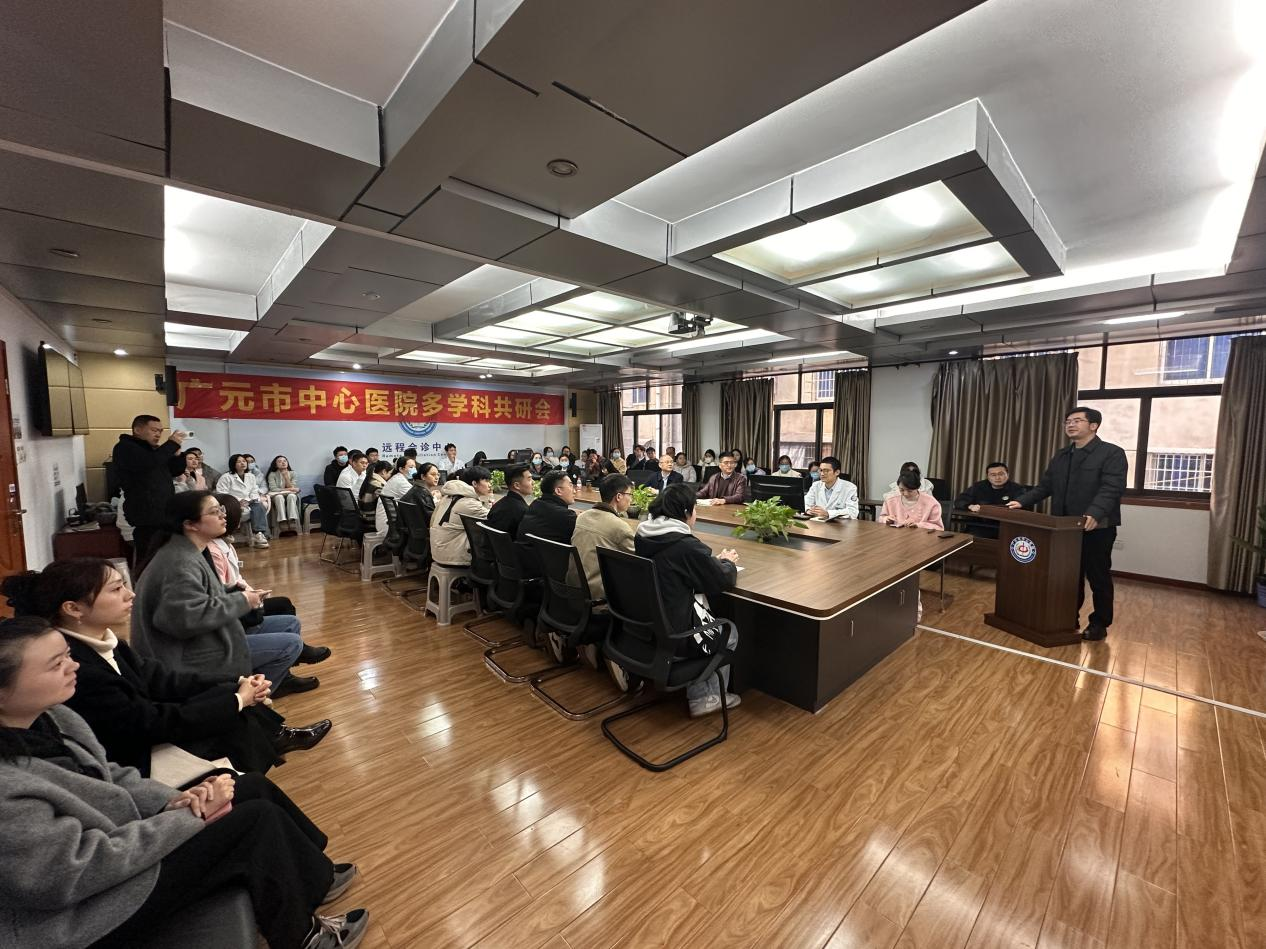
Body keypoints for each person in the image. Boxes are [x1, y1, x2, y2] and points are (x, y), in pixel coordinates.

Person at [0, 615, 368, 949]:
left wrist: (175, 798)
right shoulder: (8, 786)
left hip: (121, 841)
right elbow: (72, 874)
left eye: (68, 655)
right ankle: (304, 938)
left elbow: (111, 775)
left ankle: (313, 875)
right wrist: (188, 817)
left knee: (250, 786)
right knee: (252, 822)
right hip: (82, 913)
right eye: (57, 664)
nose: (74, 665)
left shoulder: (56, 717)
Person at [1, 560, 329, 780]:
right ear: (73, 609)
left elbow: (159, 678)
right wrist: (237, 699)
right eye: (116, 589)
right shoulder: (79, 666)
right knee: (235, 717)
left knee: (230, 696)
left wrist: (237, 683)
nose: (129, 594)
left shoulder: (104, 640)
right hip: (134, 755)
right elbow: (149, 721)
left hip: (148, 717)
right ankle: (250, 771)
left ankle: (272, 742)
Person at [130, 492, 304, 699]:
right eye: (215, 512)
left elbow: (198, 598)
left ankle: (267, 685)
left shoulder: (188, 550)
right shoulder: (180, 562)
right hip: (184, 655)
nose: (223, 515)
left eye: (221, 509)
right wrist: (243, 600)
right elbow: (183, 619)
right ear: (190, 524)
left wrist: (234, 593)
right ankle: (247, 700)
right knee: (292, 643)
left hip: (197, 640)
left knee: (290, 623)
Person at [1008, 406, 1128, 641]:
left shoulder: (1111, 453)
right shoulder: (1062, 455)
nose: (1070, 424)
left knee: (1098, 577)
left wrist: (1094, 512)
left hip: (1096, 527)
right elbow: (1045, 486)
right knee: (1068, 576)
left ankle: (1099, 623)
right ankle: (1067, 617)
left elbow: (1112, 487)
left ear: (1093, 426)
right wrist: (1021, 501)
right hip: (1063, 528)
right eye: (1067, 421)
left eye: (1077, 420)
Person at [634, 483, 741, 717]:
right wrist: (727, 562)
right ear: (686, 512)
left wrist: (708, 562)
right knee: (729, 632)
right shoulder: (684, 544)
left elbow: (680, 569)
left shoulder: (644, 534)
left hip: (646, 625)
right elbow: (721, 579)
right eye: (695, 509)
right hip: (677, 632)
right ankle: (705, 698)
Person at [208, 493, 325, 696]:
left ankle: (282, 672)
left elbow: (236, 579)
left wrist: (252, 593)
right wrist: (250, 597)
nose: (223, 517)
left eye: (224, 513)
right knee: (284, 610)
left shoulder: (225, 545)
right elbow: (225, 590)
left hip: (237, 607)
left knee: (290, 617)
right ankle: (269, 682)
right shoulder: (212, 552)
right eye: (217, 513)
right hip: (229, 623)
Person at [113, 414, 187, 558]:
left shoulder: (154, 451)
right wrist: (170, 445)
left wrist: (177, 455)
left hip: (163, 512)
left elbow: (175, 471)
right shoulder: (125, 447)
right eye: (154, 430)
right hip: (145, 514)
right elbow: (148, 464)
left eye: (160, 431)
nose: (158, 434)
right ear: (137, 430)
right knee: (148, 558)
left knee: (164, 556)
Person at [571, 474, 635, 598]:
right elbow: (640, 559)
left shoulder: (583, 516)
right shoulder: (619, 527)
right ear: (619, 496)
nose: (631, 500)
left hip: (573, 588)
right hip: (598, 595)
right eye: (630, 494)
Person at [430, 465, 492, 566]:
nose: (490, 485)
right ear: (474, 483)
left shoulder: (449, 497)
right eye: (486, 481)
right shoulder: (468, 503)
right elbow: (494, 519)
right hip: (452, 554)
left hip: (440, 548)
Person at [953, 461, 1027, 538]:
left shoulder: (1017, 489)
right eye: (993, 475)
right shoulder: (978, 486)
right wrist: (970, 506)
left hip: (1006, 527)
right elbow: (959, 501)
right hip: (980, 526)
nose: (997, 478)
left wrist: (986, 509)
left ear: (1007, 474)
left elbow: (1021, 508)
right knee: (969, 538)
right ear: (988, 476)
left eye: (1001, 474)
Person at [217, 453, 271, 548]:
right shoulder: (226, 477)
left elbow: (254, 491)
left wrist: (251, 500)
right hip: (233, 503)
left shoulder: (251, 476)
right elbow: (221, 493)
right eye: (239, 462)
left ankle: (258, 534)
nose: (243, 463)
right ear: (233, 464)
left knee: (259, 505)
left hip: (249, 502)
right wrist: (237, 501)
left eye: (244, 461)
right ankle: (228, 534)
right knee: (242, 509)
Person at [519, 469, 577, 549]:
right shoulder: (567, 516)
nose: (574, 491)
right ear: (558, 491)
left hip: (522, 555)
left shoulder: (534, 505)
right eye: (570, 486)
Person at [880, 472, 944, 529]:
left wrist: (919, 525)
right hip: (895, 536)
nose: (905, 493)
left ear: (917, 488)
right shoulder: (890, 501)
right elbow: (881, 518)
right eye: (902, 490)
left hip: (920, 537)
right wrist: (886, 519)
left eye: (910, 491)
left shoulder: (931, 503)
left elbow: (938, 527)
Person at [487, 464, 533, 538]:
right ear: (517, 485)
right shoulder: (524, 511)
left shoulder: (497, 506)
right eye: (529, 479)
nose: (533, 482)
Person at [376, 456, 417, 533]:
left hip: (389, 522)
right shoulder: (400, 481)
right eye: (411, 467)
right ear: (401, 469)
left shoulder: (398, 478)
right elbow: (416, 498)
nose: (414, 470)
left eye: (415, 467)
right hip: (389, 525)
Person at [266, 455, 303, 534]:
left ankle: (292, 519)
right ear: (276, 465)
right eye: (280, 461)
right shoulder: (272, 474)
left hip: (290, 495)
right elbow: (273, 489)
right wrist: (288, 489)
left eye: (285, 461)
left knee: (291, 496)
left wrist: (286, 477)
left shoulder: (293, 473)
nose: (283, 463)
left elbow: (292, 487)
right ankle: (282, 520)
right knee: (279, 497)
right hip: (277, 495)